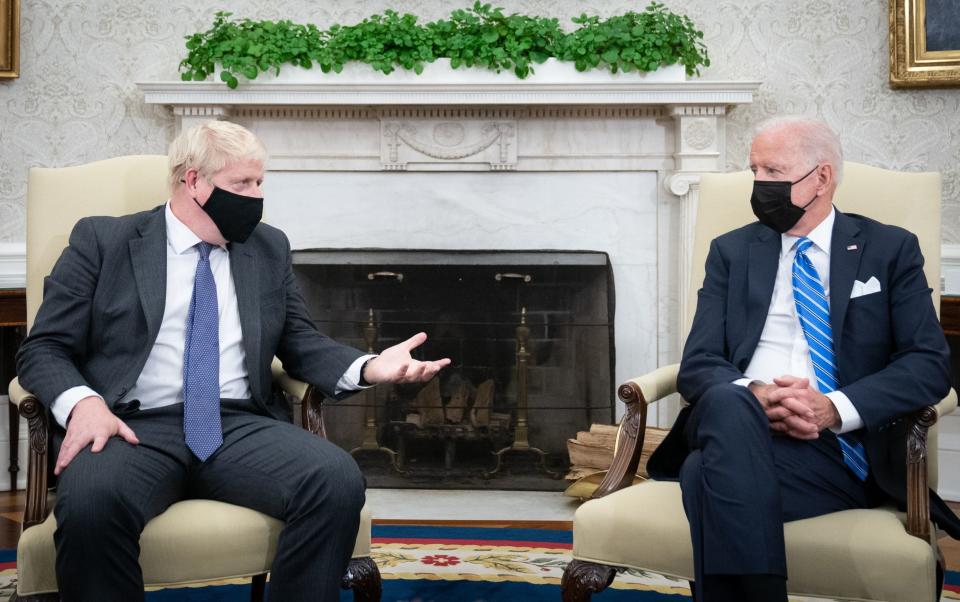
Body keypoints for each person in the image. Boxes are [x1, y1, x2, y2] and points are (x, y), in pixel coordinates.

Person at [15, 120, 451, 601]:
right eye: (241, 184)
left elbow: (300, 342)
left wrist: (371, 367)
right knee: (92, 506)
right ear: (193, 182)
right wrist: (84, 405)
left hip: (237, 425)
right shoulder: (105, 242)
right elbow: (44, 346)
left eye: (260, 182)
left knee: (335, 478)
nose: (256, 195)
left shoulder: (266, 247)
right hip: (131, 427)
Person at [645, 116, 957, 601]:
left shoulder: (889, 249)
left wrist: (832, 408)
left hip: (839, 451)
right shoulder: (732, 252)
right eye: (754, 171)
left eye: (773, 171)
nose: (759, 184)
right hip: (745, 426)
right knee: (731, 402)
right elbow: (700, 362)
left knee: (703, 475)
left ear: (822, 178)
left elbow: (928, 363)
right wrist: (759, 395)